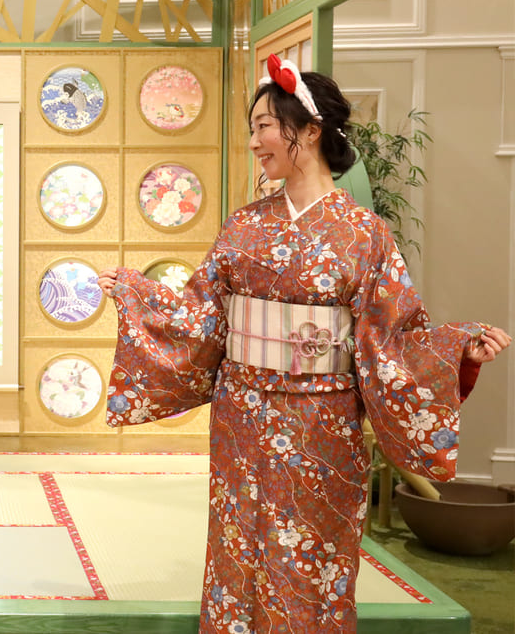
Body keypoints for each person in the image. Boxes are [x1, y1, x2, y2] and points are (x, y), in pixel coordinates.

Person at [97, 54, 511, 633]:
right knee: (237, 543)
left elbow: (393, 337)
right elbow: (200, 316)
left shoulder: (365, 233)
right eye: (253, 128)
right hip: (242, 415)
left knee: (315, 554)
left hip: (323, 421)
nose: (254, 142)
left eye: (264, 126)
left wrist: (456, 350)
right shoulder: (244, 225)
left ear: (310, 130)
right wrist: (139, 294)